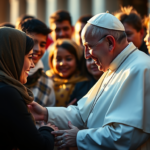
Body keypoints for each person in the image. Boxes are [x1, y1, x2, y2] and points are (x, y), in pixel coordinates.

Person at [28, 13, 150, 149]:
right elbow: (83, 115)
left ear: (110, 42)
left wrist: (80, 137)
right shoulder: (114, 66)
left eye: (89, 46)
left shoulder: (140, 68)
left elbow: (126, 136)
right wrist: (45, 113)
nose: (86, 55)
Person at [0, 27, 57, 150]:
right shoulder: (7, 93)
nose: (32, 64)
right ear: (13, 56)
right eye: (30, 57)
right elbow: (40, 147)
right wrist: (47, 129)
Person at [20, 18, 55, 107]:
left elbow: (48, 114)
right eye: (32, 42)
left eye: (42, 45)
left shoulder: (47, 82)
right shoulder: (7, 74)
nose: (38, 49)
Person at [46, 39, 88, 107]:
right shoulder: (44, 80)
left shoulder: (84, 82)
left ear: (77, 61)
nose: (63, 63)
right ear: (51, 61)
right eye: (58, 59)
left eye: (68, 59)